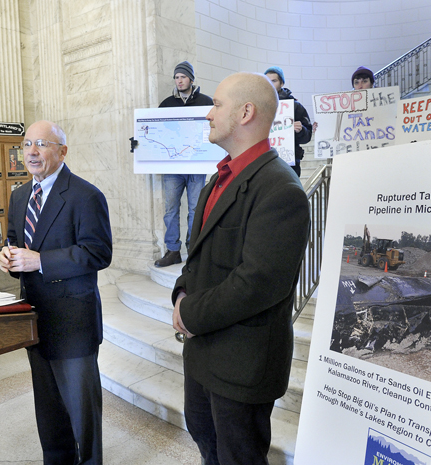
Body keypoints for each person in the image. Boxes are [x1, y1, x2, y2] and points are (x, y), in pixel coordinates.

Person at [172, 72, 310, 464]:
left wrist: (188, 312)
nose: (208, 114)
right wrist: (181, 291)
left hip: (242, 362)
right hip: (203, 353)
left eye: (216, 104)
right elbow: (196, 253)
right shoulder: (219, 177)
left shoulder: (281, 188)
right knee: (207, 446)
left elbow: (259, 283)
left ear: (246, 112)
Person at [0, 120, 112, 465]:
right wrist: (8, 257)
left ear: (62, 151)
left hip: (73, 322)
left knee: (82, 414)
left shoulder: (85, 195)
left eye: (42, 144)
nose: (31, 152)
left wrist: (40, 261)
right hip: (34, 319)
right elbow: (15, 241)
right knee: (48, 413)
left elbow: (98, 252)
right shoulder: (20, 195)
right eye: (27, 144)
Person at [156, 61, 213, 267]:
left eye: (183, 77)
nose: (179, 81)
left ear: (191, 79)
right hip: (172, 168)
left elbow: (213, 128)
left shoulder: (206, 102)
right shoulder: (166, 104)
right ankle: (172, 250)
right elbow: (157, 131)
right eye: (176, 77)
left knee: (196, 209)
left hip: (197, 165)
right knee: (170, 210)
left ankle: (193, 249)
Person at [264, 66, 312, 177]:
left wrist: (300, 131)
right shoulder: (258, 106)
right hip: (265, 161)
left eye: (274, 81)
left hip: (289, 163)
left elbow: (307, 136)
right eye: (267, 81)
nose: (270, 84)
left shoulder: (295, 106)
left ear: (282, 83)